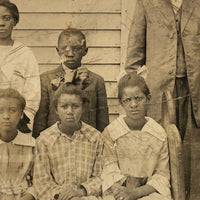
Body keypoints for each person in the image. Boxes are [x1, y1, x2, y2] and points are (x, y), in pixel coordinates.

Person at [125, 0, 200, 198]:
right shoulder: (147, 3)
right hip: (160, 92)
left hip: (195, 92)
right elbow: (133, 57)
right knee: (159, 145)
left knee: (193, 152)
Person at [101, 73, 171, 200]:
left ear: (148, 98)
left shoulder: (158, 133)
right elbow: (109, 169)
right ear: (121, 103)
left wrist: (136, 193)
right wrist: (123, 192)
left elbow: (162, 174)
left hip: (148, 192)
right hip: (119, 190)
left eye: (138, 98)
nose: (133, 105)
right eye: (127, 100)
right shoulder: (112, 132)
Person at [33, 28, 109, 138]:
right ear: (57, 50)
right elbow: (40, 121)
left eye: (77, 49)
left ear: (85, 51)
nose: (70, 54)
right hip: (54, 143)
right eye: (64, 49)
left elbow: (102, 122)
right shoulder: (45, 80)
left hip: (87, 143)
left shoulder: (96, 81)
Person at [33, 83, 103, 200]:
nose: (70, 111)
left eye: (75, 106)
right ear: (56, 109)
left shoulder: (95, 137)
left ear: (83, 108)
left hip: (87, 197)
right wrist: (65, 196)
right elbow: (42, 182)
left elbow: (101, 176)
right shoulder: (44, 140)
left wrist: (81, 191)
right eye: (64, 107)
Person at [0, 0, 41, 132]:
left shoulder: (25, 54)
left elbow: (33, 93)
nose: (1, 23)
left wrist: (21, 119)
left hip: (16, 122)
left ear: (15, 21)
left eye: (6, 18)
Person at [0, 88, 36, 200]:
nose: (6, 116)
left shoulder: (31, 145)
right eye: (0, 111)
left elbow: (39, 180)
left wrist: (29, 196)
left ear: (21, 114)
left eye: (12, 110)